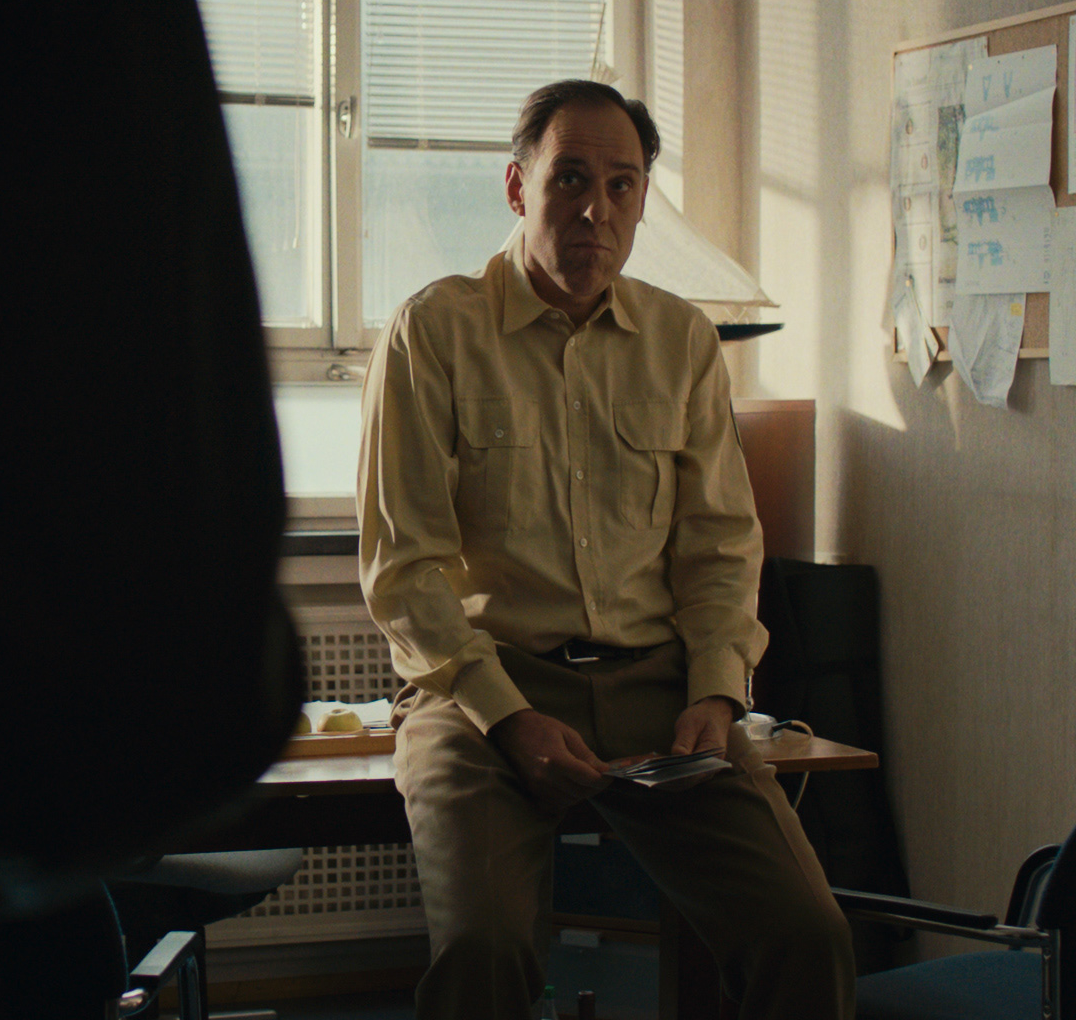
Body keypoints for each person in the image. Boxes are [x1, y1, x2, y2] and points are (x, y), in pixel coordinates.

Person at [357, 80, 855, 1020]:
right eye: (571, 179)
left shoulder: (681, 339)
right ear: (518, 187)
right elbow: (404, 569)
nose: (597, 210)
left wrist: (718, 691)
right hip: (484, 687)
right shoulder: (434, 331)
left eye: (622, 185)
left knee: (808, 936)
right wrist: (510, 718)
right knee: (484, 952)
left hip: (660, 688)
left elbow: (720, 546)